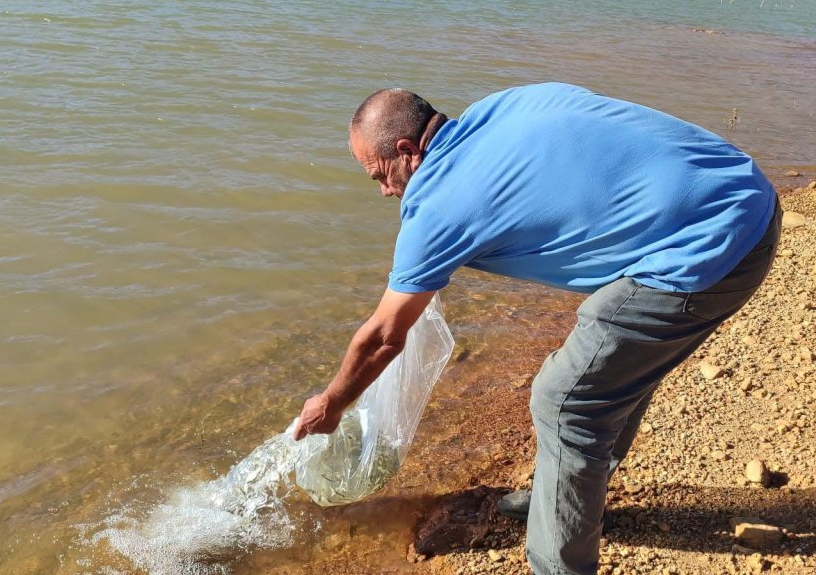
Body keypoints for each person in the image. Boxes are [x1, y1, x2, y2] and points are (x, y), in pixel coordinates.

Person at [291, 83, 780, 575]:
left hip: (712, 252)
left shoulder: (438, 206)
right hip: (743, 192)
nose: (382, 190)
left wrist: (331, 402)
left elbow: (383, 336)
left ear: (406, 152)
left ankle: (560, 561)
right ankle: (567, 493)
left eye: (378, 174)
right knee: (611, 372)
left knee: (566, 400)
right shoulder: (502, 107)